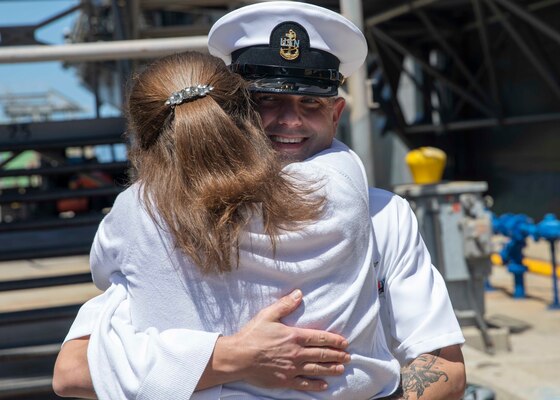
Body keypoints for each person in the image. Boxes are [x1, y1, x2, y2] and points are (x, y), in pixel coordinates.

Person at [53, 2, 466, 399]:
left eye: (311, 103)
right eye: (267, 100)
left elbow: (445, 366)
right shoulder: (158, 216)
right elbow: (72, 370)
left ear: (336, 113)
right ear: (229, 114)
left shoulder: (387, 216)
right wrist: (234, 357)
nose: (290, 121)